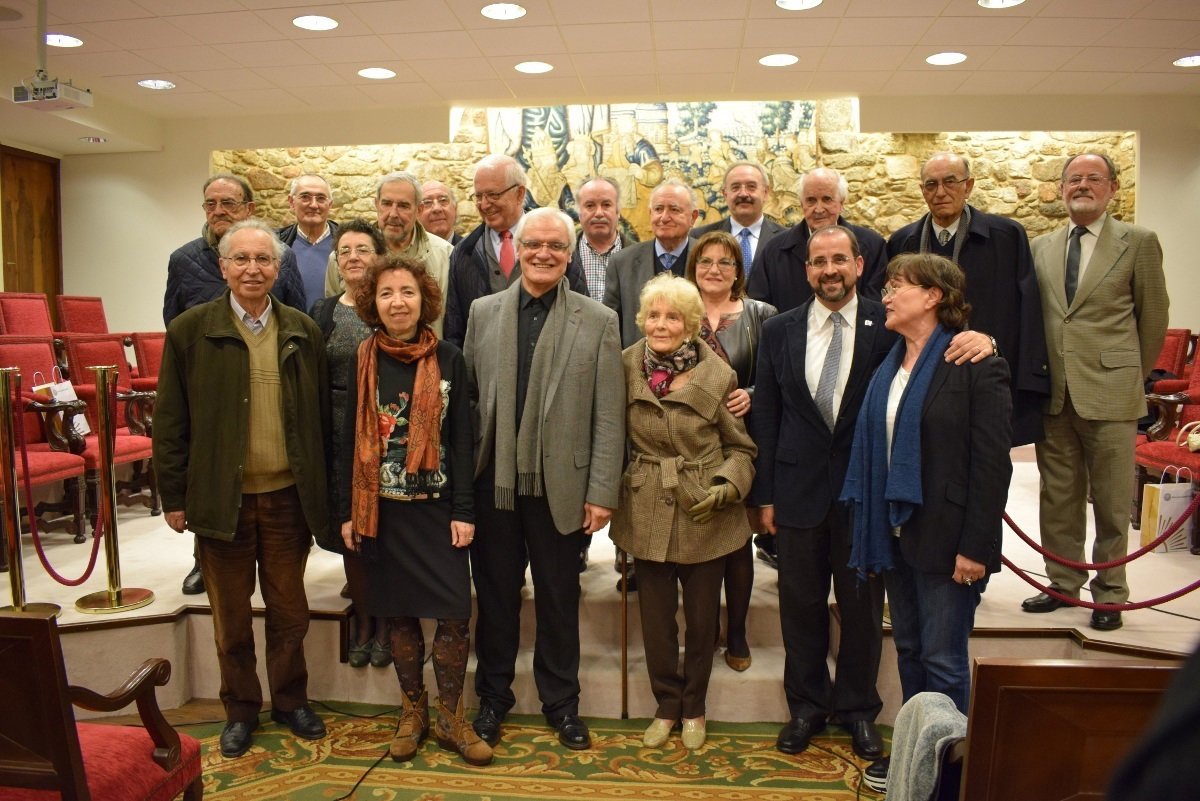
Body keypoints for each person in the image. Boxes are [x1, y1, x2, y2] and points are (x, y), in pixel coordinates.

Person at [154, 218, 330, 759]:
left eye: (263, 260)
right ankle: (240, 710)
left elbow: (321, 418)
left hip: (286, 500)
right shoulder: (190, 330)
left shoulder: (303, 329)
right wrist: (174, 496)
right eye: (242, 259)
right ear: (224, 266)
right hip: (220, 501)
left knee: (289, 613)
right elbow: (170, 420)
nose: (253, 269)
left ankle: (291, 701)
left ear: (278, 268)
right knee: (230, 619)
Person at [463, 207, 624, 751]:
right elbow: (469, 403)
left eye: (556, 246)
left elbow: (609, 414)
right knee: (496, 599)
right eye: (534, 244)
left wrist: (601, 492)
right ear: (519, 247)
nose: (543, 254)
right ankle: (493, 700)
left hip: (563, 487)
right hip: (494, 483)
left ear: (569, 254)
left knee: (558, 599)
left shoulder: (598, 319)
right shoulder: (483, 312)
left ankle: (562, 704)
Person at [338, 253, 491, 766]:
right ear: (372, 303)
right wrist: (348, 511)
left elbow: (463, 439)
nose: (397, 302)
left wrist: (464, 510)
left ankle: (451, 716)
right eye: (386, 293)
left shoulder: (450, 357)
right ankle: (412, 712)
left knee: (454, 615)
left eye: (407, 292)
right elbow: (348, 438)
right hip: (382, 512)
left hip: (438, 510)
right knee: (398, 615)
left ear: (424, 300)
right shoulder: (361, 358)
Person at [843, 251, 1012, 716]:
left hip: (948, 539)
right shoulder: (888, 363)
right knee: (910, 650)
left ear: (933, 295)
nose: (887, 296)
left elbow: (992, 466)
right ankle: (916, 748)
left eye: (897, 286)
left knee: (943, 660)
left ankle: (947, 757)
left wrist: (976, 547)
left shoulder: (975, 364)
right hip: (894, 533)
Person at [749, 225, 896, 760]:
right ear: (806, 269)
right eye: (819, 261)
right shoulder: (779, 330)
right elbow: (767, 415)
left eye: (839, 259)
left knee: (861, 609)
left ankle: (858, 710)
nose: (829, 270)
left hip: (864, 493)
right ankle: (807, 707)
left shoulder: (889, 327)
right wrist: (764, 495)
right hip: (797, 491)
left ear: (858, 265)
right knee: (801, 606)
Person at [1022, 152, 1169, 631]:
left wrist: (1129, 376)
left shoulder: (1138, 241)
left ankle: (1110, 592)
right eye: (1073, 179)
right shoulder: (1041, 246)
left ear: (1112, 188)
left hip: (1111, 392)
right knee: (1058, 497)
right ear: (1062, 188)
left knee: (1110, 501)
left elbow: (1153, 318)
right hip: (1055, 394)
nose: (1082, 186)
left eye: (1093, 178)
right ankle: (1062, 583)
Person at [610, 272, 756, 751]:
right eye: (653, 315)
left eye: (673, 317)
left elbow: (742, 449)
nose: (661, 324)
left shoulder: (718, 375)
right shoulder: (625, 365)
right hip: (646, 503)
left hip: (703, 508)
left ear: (691, 324)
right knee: (656, 624)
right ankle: (666, 704)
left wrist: (727, 486)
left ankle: (694, 706)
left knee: (700, 621)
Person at [164, 173, 308, 597]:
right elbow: (173, 322)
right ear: (224, 267)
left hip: (268, 394)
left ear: (248, 207)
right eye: (211, 203)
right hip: (211, 397)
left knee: (286, 598)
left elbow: (296, 318)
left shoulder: (282, 258)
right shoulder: (183, 259)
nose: (219, 211)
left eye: (228, 203)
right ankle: (200, 561)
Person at [887, 152, 1050, 446]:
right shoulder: (903, 242)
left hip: (984, 372)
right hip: (920, 375)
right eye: (931, 184)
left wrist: (1027, 377)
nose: (940, 192)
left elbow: (1027, 310)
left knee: (984, 459)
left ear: (969, 186)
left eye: (950, 182)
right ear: (922, 190)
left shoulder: (1006, 237)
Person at [683, 230, 777, 673]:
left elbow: (777, 379)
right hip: (691, 441)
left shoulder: (762, 315)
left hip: (741, 440)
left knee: (738, 540)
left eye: (725, 262)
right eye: (706, 261)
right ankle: (701, 629)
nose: (714, 269)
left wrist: (752, 394)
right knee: (700, 534)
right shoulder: (678, 311)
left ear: (739, 270)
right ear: (693, 268)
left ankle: (736, 630)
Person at [308, 219, 389, 669]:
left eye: (363, 249)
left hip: (385, 435)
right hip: (338, 433)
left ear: (379, 258)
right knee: (351, 530)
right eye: (345, 251)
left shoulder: (392, 304)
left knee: (385, 531)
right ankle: (363, 618)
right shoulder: (322, 312)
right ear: (336, 262)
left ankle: (386, 621)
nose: (353, 257)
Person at [445, 154, 588, 347]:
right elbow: (455, 330)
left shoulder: (557, 241)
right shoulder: (463, 253)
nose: (484, 204)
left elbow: (581, 312)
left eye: (493, 195)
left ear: (520, 193)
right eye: (478, 196)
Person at [323, 173, 451, 337]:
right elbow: (332, 317)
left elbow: (453, 323)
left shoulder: (445, 255)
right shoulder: (341, 260)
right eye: (387, 204)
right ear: (376, 204)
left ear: (419, 210)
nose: (393, 214)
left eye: (403, 206)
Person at [748, 167, 888, 311]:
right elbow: (759, 310)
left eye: (827, 199)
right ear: (801, 204)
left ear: (841, 203)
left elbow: (876, 309)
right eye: (811, 200)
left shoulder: (872, 247)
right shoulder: (774, 251)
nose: (819, 209)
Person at [604, 178, 699, 347]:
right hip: (636, 361)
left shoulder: (706, 260)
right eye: (658, 209)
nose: (664, 217)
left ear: (693, 217)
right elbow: (609, 328)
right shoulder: (622, 263)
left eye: (674, 209)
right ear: (650, 214)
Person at [691, 161, 786, 279]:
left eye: (751, 187)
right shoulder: (699, 237)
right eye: (735, 187)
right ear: (725, 194)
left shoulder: (786, 239)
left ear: (765, 193)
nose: (743, 194)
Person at [278, 173, 338, 309]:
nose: (314, 205)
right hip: (291, 322)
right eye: (305, 197)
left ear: (330, 204)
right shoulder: (276, 245)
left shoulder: (347, 244)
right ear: (291, 202)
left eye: (321, 198)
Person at [571, 176, 629, 303]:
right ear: (579, 213)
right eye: (590, 205)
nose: (599, 213)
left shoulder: (641, 257)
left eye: (606, 205)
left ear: (618, 211)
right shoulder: (564, 255)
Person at [419, 179, 463, 245]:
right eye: (427, 202)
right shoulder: (407, 250)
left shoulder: (473, 250)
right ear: (416, 213)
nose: (437, 208)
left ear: (455, 208)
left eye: (443, 200)